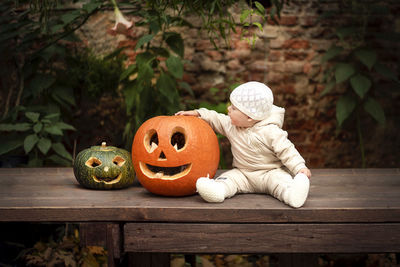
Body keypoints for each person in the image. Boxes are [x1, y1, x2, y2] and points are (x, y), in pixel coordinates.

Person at [175, 81, 311, 208]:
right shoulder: (231, 125)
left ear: (249, 117)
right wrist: (197, 113)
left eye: (234, 108)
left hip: (270, 173)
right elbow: (214, 117)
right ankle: (217, 190)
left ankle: (293, 195)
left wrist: (300, 168)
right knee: (229, 179)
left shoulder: (271, 131)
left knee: (281, 183)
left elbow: (287, 151)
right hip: (243, 174)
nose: (228, 109)